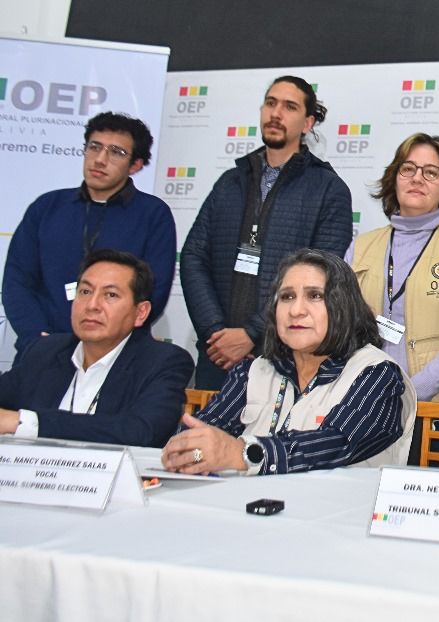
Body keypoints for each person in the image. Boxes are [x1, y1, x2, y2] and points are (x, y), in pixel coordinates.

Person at [161, 249, 415, 475]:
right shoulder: (253, 371)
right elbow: (207, 432)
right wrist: (193, 453)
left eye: (315, 296)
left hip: (339, 518)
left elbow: (337, 443)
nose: (296, 310)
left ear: (344, 306)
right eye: (287, 297)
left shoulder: (377, 374)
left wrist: (241, 453)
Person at [181, 75, 353, 390]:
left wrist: (251, 334)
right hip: (216, 357)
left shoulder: (328, 189)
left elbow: (323, 278)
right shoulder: (230, 182)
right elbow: (193, 257)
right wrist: (217, 333)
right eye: (270, 103)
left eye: (289, 107)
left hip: (285, 361)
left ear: (307, 123)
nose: (276, 113)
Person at [349, 133, 439, 462]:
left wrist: (408, 393)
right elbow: (339, 328)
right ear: (394, 177)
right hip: (370, 412)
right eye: (409, 169)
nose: (417, 178)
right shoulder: (361, 247)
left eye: (431, 172)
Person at [4, 112, 176, 361]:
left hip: (115, 357)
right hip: (41, 350)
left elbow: (153, 291)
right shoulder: (48, 206)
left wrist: (104, 344)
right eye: (94, 147)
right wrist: (37, 337)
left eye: (116, 152)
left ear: (136, 165)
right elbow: (16, 281)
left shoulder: (152, 214)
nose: (100, 159)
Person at [0, 250, 192, 447]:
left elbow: (140, 431)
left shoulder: (163, 362)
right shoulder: (46, 351)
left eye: (110, 295)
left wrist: (24, 423)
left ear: (140, 313)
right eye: (85, 292)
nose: (92, 305)